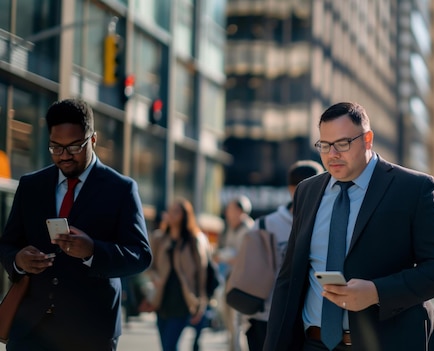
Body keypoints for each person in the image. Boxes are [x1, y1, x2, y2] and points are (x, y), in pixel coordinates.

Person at [263, 102, 434, 351]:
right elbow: (288, 278)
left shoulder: (413, 189)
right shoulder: (308, 190)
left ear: (367, 139)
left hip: (384, 343)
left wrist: (377, 292)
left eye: (343, 144)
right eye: (324, 145)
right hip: (313, 343)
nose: (332, 154)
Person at [0, 98, 152, 350]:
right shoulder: (30, 186)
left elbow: (140, 255)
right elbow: (7, 244)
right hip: (30, 330)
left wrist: (93, 251)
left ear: (93, 139)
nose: (64, 156)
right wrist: (18, 260)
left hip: (90, 333)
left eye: (74, 147)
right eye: (56, 148)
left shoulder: (121, 189)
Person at [246, 160, 324, 351]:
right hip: (268, 316)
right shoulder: (266, 225)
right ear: (293, 189)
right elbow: (247, 272)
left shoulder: (327, 222)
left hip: (311, 319)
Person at [147, 198, 210, 351]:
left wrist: (201, 303)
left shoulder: (194, 240)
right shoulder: (159, 238)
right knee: (165, 346)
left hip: (183, 299)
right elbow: (149, 265)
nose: (171, 215)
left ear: (185, 215)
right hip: (162, 298)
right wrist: (155, 278)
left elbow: (202, 273)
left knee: (170, 346)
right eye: (170, 211)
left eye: (176, 211)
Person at [216, 195, 254, 351]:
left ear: (240, 211)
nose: (227, 213)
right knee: (230, 323)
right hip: (229, 280)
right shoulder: (230, 228)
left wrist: (226, 257)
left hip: (244, 284)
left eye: (230, 209)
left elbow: (248, 258)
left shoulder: (250, 229)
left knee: (238, 324)